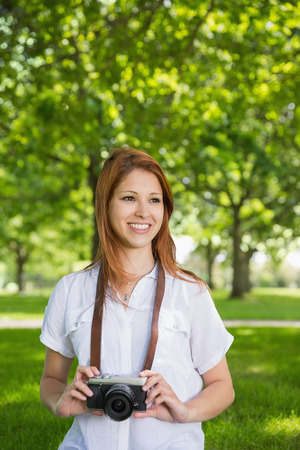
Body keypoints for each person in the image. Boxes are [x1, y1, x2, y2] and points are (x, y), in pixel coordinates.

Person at [40, 147, 234, 450]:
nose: (144, 212)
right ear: (105, 205)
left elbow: (222, 386)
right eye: (129, 198)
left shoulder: (190, 292)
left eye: (154, 200)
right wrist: (60, 402)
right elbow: (52, 379)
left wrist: (186, 411)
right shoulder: (70, 289)